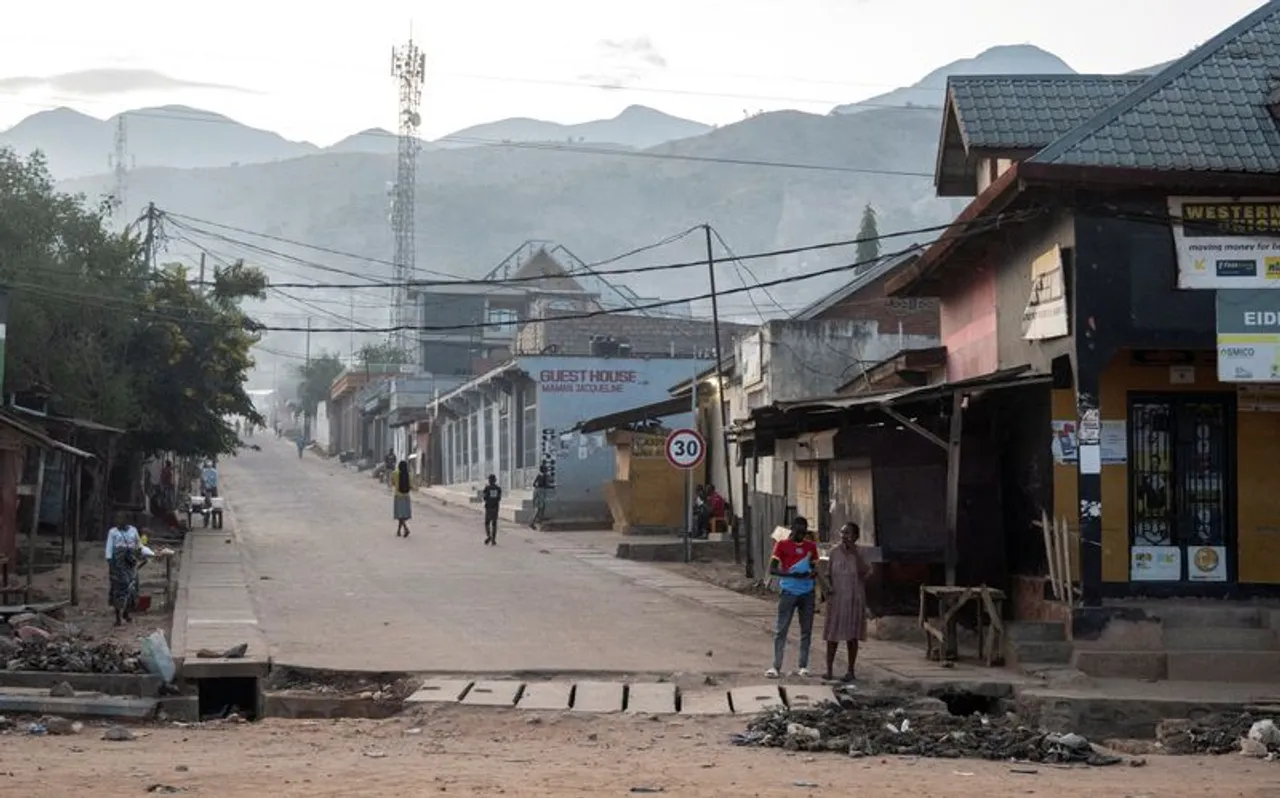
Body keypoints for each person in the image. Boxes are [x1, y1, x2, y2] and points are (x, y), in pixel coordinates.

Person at [767, 516, 819, 678]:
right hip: (788, 591)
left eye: (804, 532)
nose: (801, 535)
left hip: (807, 592)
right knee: (781, 630)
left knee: (806, 630)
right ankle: (776, 666)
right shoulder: (782, 545)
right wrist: (791, 574)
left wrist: (812, 573)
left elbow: (815, 567)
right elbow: (772, 569)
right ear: (792, 529)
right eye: (798, 532)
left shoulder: (811, 546)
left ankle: (803, 665)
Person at [822, 522, 872, 682]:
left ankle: (850, 671)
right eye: (842, 533)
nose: (844, 536)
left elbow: (865, 573)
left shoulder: (862, 552)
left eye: (848, 533)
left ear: (856, 536)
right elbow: (827, 575)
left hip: (854, 600)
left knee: (853, 636)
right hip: (837, 600)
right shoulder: (834, 552)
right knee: (832, 636)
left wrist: (855, 554)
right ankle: (829, 670)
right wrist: (828, 589)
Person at [105, 513, 142, 626]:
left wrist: (140, 556)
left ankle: (127, 613)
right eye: (118, 519)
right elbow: (109, 549)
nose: (119, 522)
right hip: (117, 564)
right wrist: (112, 565)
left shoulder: (133, 530)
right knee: (118, 588)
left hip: (130, 562)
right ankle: (118, 617)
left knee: (131, 587)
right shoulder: (112, 532)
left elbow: (138, 545)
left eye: (122, 519)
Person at [393, 460, 413, 538]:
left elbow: (393, 483)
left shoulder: (395, 473)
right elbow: (411, 486)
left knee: (400, 514)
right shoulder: (409, 474)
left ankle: (405, 528)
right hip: (406, 496)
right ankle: (398, 531)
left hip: (398, 496)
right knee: (403, 514)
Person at [482, 474, 502, 545]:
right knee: (494, 523)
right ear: (495, 480)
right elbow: (499, 498)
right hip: (495, 507)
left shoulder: (487, 488)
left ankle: (489, 536)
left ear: (489, 480)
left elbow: (484, 497)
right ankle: (493, 539)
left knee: (487, 523)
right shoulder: (498, 488)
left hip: (488, 507)